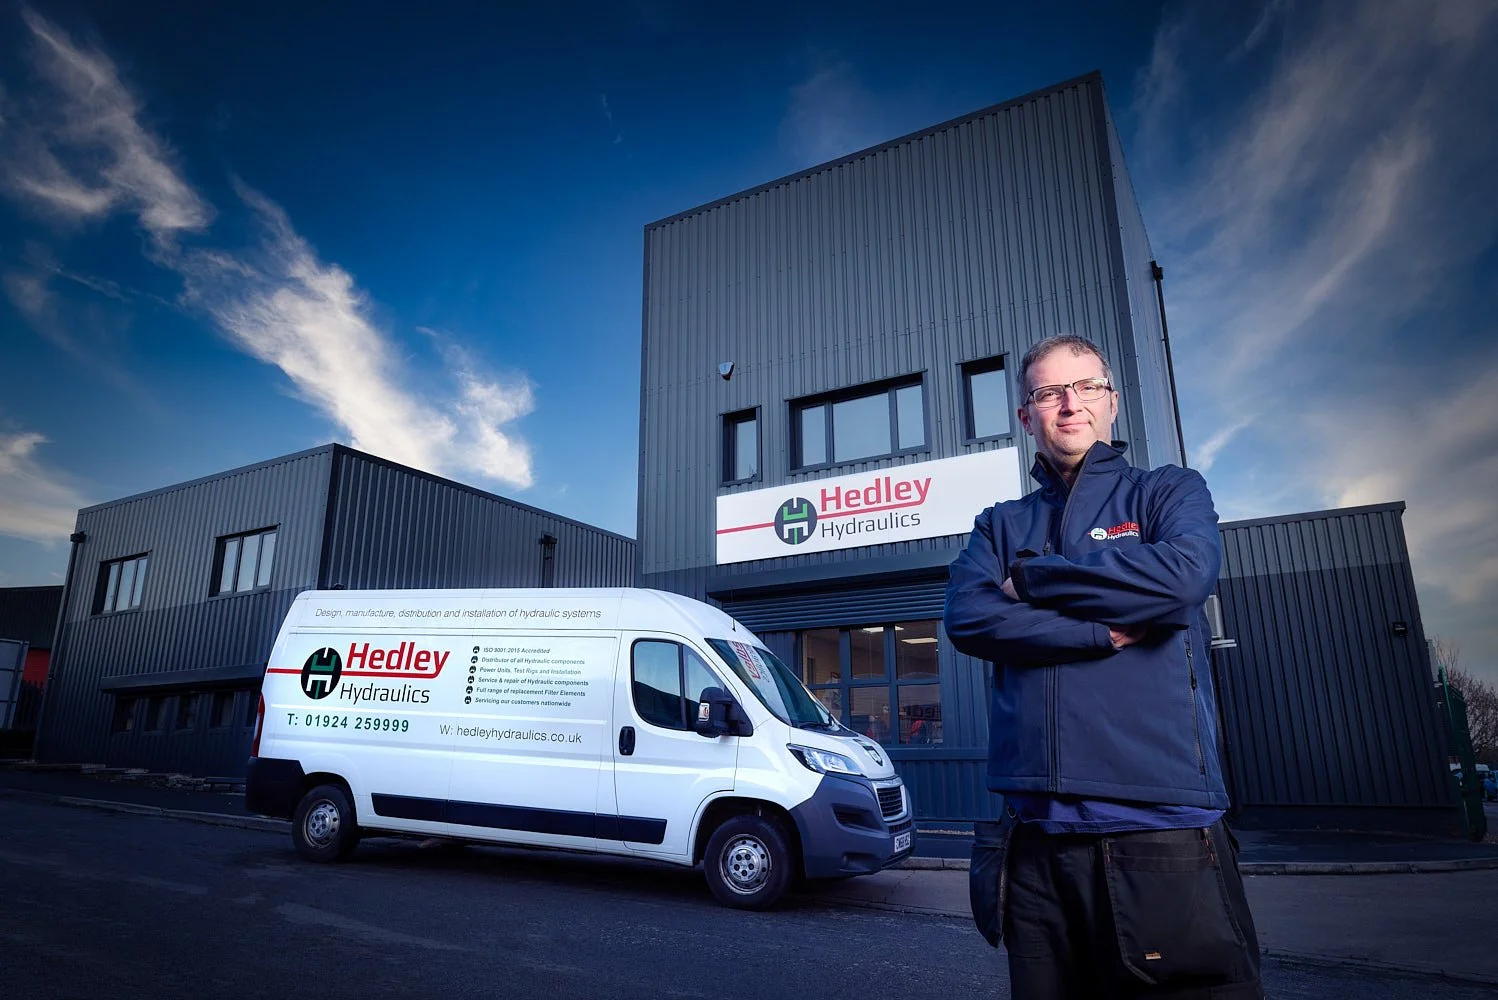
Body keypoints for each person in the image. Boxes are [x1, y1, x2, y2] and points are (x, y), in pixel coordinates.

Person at [944, 334, 1262, 998]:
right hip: (1033, 842)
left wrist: (1032, 579)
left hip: (1159, 831)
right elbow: (971, 618)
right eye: (1048, 392)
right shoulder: (999, 524)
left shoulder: (1166, 494)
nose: (1069, 404)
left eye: (1085, 386)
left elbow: (1182, 577)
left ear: (1111, 402)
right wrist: (1096, 627)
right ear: (1027, 414)